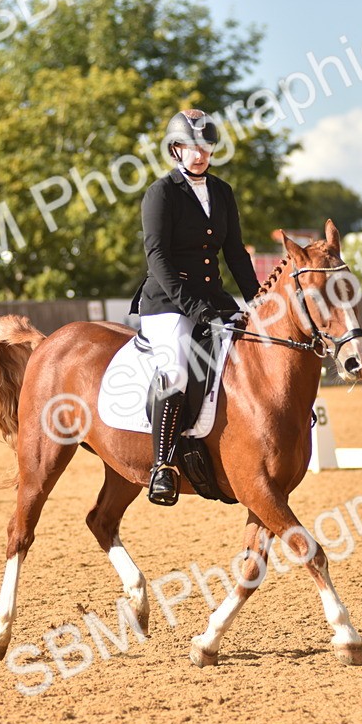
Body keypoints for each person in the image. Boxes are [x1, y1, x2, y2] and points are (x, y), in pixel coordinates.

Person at [130, 108, 262, 506]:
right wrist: (194, 307)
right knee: (175, 372)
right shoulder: (161, 193)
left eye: (205, 146)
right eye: (190, 146)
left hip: (212, 300)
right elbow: (158, 258)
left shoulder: (222, 191)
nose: (199, 153)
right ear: (175, 150)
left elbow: (235, 254)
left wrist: (259, 301)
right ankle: (162, 468)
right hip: (168, 304)